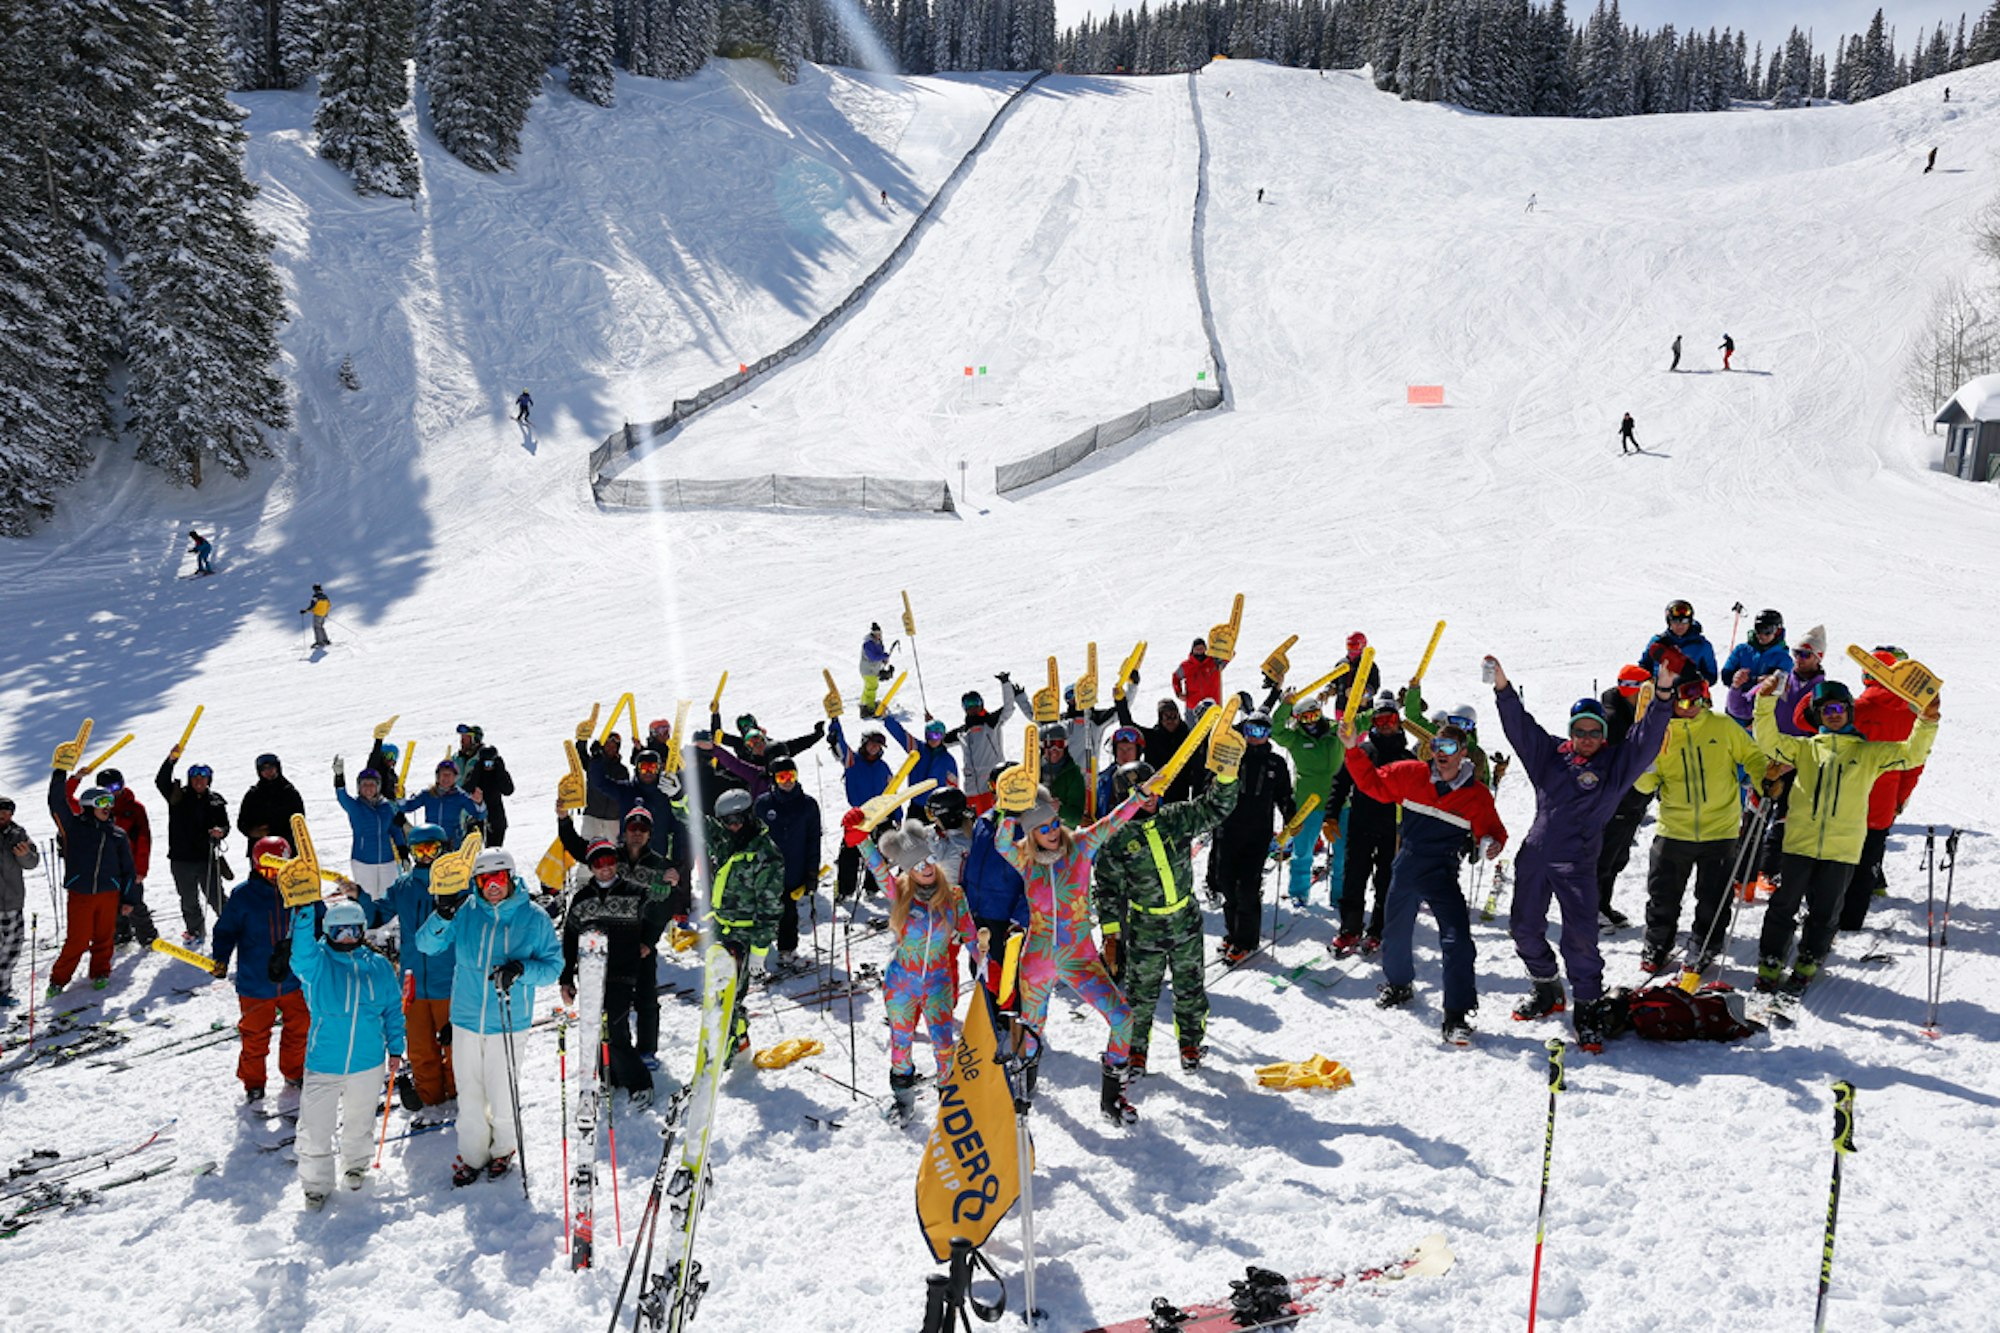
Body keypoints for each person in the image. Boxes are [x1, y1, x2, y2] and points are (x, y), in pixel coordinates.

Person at [1490, 656, 1671, 1053]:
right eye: (1580, 730)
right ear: (1571, 731)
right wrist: (1503, 688)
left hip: (1578, 862)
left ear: (1603, 734)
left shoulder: (1616, 764)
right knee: (1524, 929)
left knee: (1581, 940)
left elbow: (1646, 738)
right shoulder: (1550, 755)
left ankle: (1587, 1008)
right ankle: (1547, 989)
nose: (1586, 737)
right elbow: (1521, 728)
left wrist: (1661, 697)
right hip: (1536, 855)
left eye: (1594, 731)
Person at [1750, 675, 1939, 997]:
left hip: (1842, 849)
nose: (1833, 714)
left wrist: (1927, 720)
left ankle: (1809, 960)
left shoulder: (1868, 753)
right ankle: (1770, 961)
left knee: (1826, 912)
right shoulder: (1805, 749)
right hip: (1799, 844)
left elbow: (1912, 754)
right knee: (1783, 905)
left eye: (1839, 708)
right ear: (1817, 716)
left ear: (1849, 711)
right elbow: (1768, 741)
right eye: (1826, 710)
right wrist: (1764, 702)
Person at [1337, 719, 1505, 1045]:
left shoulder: (1476, 795)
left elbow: (1492, 830)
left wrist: (1491, 843)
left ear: (1463, 753)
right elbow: (1371, 783)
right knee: (1395, 932)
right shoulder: (1411, 774)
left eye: (1449, 748)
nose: (1441, 753)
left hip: (1441, 871)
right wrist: (1352, 749)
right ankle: (1399, 985)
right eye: (1436, 746)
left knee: (1457, 940)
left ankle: (1456, 1014)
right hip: (1407, 864)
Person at [999, 779, 1152, 1127]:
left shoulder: (1080, 846)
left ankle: (1113, 1098)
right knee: (1031, 1029)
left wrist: (1138, 798)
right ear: (1031, 833)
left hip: (1079, 958)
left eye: (1054, 823)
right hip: (1037, 960)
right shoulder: (1024, 858)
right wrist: (1009, 810)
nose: (1053, 832)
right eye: (1042, 828)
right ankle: (1023, 1089)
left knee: (1122, 1018)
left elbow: (1112, 822)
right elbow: (1001, 842)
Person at [416, 847, 562, 1186]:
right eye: (484, 880)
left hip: (508, 1021)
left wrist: (521, 970)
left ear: (510, 877)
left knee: (502, 1093)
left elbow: (553, 967)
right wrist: (442, 915)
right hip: (466, 1018)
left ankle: (503, 1149)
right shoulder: (466, 911)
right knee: (469, 1094)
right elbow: (426, 945)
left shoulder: (533, 917)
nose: (492, 886)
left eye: (498, 877)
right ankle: (473, 1155)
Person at [1092, 758, 1239, 1075]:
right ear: (1125, 797)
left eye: (1154, 788)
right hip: (1146, 928)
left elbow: (1215, 808)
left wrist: (1226, 777)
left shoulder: (1176, 817)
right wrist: (1111, 936)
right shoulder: (1115, 838)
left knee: (1190, 987)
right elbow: (1107, 891)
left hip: (1186, 921)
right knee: (1140, 995)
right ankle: (1135, 1051)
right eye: (1141, 792)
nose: (1150, 797)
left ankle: (1190, 1043)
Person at [1631, 674, 1770, 973]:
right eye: (1685, 698)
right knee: (1663, 895)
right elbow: (1644, 786)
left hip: (1720, 829)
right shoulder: (1661, 735)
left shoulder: (1722, 725)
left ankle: (1706, 942)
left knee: (1713, 897)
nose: (1693, 704)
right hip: (1674, 829)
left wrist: (1764, 781)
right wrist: (1646, 762)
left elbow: (1753, 756)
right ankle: (1658, 943)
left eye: (1699, 695)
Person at [849, 816, 974, 1121]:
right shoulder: (900, 893)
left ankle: (950, 1104)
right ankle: (903, 1102)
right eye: (918, 865)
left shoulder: (954, 896)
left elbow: (971, 936)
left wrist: (987, 964)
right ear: (908, 870)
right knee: (901, 1044)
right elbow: (878, 867)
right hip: (901, 982)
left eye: (929, 859)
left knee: (944, 1044)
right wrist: (860, 837)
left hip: (938, 982)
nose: (926, 867)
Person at [289, 897, 405, 1209]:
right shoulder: (317, 963)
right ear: (327, 932)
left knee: (359, 1120)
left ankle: (356, 1165)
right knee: (315, 1127)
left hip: (367, 1061)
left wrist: (396, 1047)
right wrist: (303, 912)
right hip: (324, 1061)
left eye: (353, 930)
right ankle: (316, 1184)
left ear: (362, 930)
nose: (346, 937)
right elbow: (300, 953)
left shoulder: (378, 965)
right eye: (338, 931)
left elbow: (392, 1009)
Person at [559, 838, 669, 1107]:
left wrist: (648, 941)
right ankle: (610, 1074)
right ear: (591, 867)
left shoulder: (634, 892)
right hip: (591, 973)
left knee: (614, 1026)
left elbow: (660, 911)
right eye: (598, 863)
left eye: (609, 861)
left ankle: (640, 1082)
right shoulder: (582, 898)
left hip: (623, 970)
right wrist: (567, 977)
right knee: (596, 1026)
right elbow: (570, 938)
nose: (605, 868)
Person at [370, 823, 458, 1118]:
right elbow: (377, 914)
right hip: (413, 982)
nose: (427, 856)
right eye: (420, 850)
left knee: (455, 1045)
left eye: (433, 849)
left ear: (443, 849)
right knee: (420, 1047)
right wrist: (358, 897)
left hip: (449, 980)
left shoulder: (458, 884)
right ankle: (429, 1095)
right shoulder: (403, 887)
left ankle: (460, 1094)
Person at [212, 835, 309, 1101]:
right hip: (256, 981)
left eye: (280, 870)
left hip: (294, 978)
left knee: (299, 1030)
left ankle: (294, 1071)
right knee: (254, 1037)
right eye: (268, 871)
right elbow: (225, 931)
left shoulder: (301, 890)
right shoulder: (243, 895)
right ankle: (254, 1082)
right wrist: (220, 958)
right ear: (256, 867)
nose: (275, 877)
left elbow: (319, 921)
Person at [1839, 649, 1927, 932]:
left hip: (1847, 796)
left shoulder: (1857, 708)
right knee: (1868, 859)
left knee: (1837, 858)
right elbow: (1914, 765)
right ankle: (1853, 918)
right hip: (1883, 801)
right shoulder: (1911, 714)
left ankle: (1828, 913)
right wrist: (1900, 798)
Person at [1326, 693, 1410, 956]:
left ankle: (1377, 930)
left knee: (1386, 881)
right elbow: (1340, 783)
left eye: (1390, 719)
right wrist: (1331, 814)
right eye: (1379, 720)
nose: (1385, 725)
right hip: (1361, 823)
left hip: (1392, 830)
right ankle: (1350, 928)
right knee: (1354, 876)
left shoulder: (1407, 758)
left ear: (1398, 721)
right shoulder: (1362, 751)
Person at [705, 789, 785, 1059]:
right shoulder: (725, 839)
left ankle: (726, 1046)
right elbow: (696, 822)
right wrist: (678, 796)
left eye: (738, 820)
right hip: (721, 927)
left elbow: (770, 907)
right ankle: (738, 1036)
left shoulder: (764, 854)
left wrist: (760, 951)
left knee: (729, 992)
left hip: (745, 933)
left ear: (749, 816)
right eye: (727, 821)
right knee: (721, 989)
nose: (733, 826)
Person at [45, 763, 136, 995]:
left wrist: (128, 898)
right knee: (78, 940)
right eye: (102, 802)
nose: (108, 807)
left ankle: (100, 972)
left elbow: (128, 869)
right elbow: (57, 803)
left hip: (109, 893)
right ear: (88, 805)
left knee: (105, 937)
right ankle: (58, 980)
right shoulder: (74, 827)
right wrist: (60, 773)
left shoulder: (117, 834)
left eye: (110, 802)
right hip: (81, 893)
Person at [1591, 665, 1655, 930]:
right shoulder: (1615, 719)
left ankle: (1602, 905)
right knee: (1604, 857)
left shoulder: (1636, 712)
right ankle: (1591, 909)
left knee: (1617, 857)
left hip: (1634, 800)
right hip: (1617, 799)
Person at [960, 770, 1030, 1003]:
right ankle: (989, 1012)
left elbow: (1034, 880)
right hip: (978, 910)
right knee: (980, 967)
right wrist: (964, 898)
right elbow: (973, 863)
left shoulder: (1027, 829)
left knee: (1007, 972)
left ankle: (1011, 1014)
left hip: (1005, 916)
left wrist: (1020, 917)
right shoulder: (984, 821)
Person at [1270, 689, 1343, 906]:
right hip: (1308, 802)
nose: (1311, 722)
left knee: (1342, 853)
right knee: (1302, 852)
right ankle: (1299, 893)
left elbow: (1359, 721)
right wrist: (1285, 705)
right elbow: (1275, 730)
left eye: (1314, 715)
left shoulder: (1336, 732)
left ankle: (1339, 896)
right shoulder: (1295, 738)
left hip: (1339, 801)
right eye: (1305, 718)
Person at [754, 755, 823, 971]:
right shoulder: (763, 804)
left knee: (788, 912)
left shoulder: (808, 805)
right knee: (764, 912)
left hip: (794, 868)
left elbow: (813, 840)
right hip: (766, 870)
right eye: (782, 777)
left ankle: (787, 950)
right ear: (774, 779)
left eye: (791, 776)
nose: (787, 781)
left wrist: (812, 872)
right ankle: (757, 952)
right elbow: (753, 837)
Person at [157, 750, 230, 942]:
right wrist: (171, 761)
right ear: (189, 780)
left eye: (203, 778)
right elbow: (161, 781)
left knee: (216, 896)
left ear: (209, 780)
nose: (199, 781)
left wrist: (220, 831)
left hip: (206, 857)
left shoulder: (215, 800)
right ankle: (195, 930)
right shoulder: (178, 796)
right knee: (188, 899)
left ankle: (232, 925)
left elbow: (225, 825)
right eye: (195, 778)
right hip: (181, 858)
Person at [826, 720, 892, 905]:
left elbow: (892, 792)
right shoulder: (852, 761)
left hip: (880, 815)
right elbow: (840, 743)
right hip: (858, 816)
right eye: (872, 744)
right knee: (849, 853)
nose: (874, 748)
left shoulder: (883, 767)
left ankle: (872, 887)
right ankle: (845, 890)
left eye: (878, 745)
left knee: (879, 852)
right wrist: (835, 723)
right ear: (864, 743)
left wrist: (896, 816)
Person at [941, 683, 1016, 809]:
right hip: (972, 788)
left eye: (975, 702)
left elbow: (1008, 708)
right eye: (968, 704)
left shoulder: (991, 723)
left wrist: (1005, 684)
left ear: (981, 704)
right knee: (977, 819)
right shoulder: (963, 732)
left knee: (997, 816)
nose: (972, 707)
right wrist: (932, 724)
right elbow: (941, 741)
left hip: (992, 783)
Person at [334, 758, 401, 896]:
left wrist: (403, 852)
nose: (368, 788)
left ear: (378, 787)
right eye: (364, 784)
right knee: (368, 899)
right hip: (363, 861)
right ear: (359, 787)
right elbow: (342, 796)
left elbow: (395, 830)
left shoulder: (387, 806)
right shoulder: (355, 806)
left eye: (372, 784)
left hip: (388, 861)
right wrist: (339, 777)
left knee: (389, 898)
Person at [0, 798, 42, 1007]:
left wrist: (25, 856)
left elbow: (32, 862)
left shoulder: (18, 833)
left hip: (12, 901)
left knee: (11, 949)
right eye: (1, 811)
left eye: (8, 813)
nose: (4, 816)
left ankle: (2, 990)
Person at [1720, 609, 1790, 727]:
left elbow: (1779, 692)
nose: (1762, 635)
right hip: (1734, 711)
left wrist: (1756, 721)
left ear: (1777, 631)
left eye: (1767, 631)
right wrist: (1753, 680)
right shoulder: (1742, 650)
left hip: (1758, 718)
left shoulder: (1783, 659)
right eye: (1758, 629)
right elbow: (1726, 676)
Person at [399, 759, 486, 848]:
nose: (446, 778)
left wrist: (479, 803)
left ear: (455, 778)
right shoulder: (428, 794)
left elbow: (479, 815)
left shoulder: (460, 796)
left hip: (452, 843)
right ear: (438, 777)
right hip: (431, 843)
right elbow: (407, 807)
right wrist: (400, 797)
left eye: (449, 775)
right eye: (443, 774)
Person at [883, 716, 960, 815]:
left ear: (942, 736)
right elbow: (901, 735)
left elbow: (953, 786)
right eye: (930, 736)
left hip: (936, 808)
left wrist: (952, 807)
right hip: (916, 804)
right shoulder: (917, 748)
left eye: (937, 736)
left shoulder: (948, 760)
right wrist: (887, 718)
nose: (933, 739)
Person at [237, 752, 305, 857]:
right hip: (261, 850)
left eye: (271, 768)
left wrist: (275, 830)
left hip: (287, 848)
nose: (268, 771)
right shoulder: (253, 794)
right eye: (264, 769)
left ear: (277, 768)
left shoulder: (288, 792)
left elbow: (299, 819)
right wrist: (253, 832)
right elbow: (242, 822)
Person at [1640, 600, 1719, 685]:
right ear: (1669, 622)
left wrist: (1695, 678)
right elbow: (1644, 666)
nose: (1680, 626)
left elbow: (1712, 676)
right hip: (1660, 689)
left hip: (1689, 690)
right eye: (1675, 621)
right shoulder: (1658, 642)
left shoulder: (1701, 645)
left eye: (1685, 621)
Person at [457, 729, 514, 846]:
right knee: (474, 850)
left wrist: (500, 771)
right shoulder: (477, 772)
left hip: (495, 817)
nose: (488, 767)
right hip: (476, 817)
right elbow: (466, 789)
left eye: (491, 764)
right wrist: (477, 772)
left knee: (493, 850)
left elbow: (508, 790)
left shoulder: (498, 773)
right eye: (485, 764)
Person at [1038, 723, 1089, 825]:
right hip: (1036, 827)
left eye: (1059, 744)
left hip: (1062, 830)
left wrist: (1060, 810)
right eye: (1049, 744)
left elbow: (1077, 817)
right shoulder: (1033, 769)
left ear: (1065, 746)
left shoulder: (1073, 774)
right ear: (1042, 746)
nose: (1054, 750)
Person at [1171, 637, 1223, 710]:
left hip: (1212, 706)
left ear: (1205, 649)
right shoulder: (1186, 666)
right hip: (1193, 707)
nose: (1199, 650)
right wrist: (1179, 693)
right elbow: (1176, 677)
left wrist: (1224, 647)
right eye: (1196, 648)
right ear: (1192, 650)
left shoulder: (1214, 662)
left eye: (1201, 648)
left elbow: (1228, 656)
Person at [859, 623, 894, 716]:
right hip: (868, 670)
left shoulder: (878, 643)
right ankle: (870, 708)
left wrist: (884, 660)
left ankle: (864, 705)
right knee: (872, 687)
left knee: (868, 687)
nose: (878, 635)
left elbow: (879, 654)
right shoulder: (868, 644)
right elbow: (872, 657)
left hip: (873, 669)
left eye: (879, 633)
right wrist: (883, 656)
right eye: (876, 633)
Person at [301, 584, 331, 648]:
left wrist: (305, 611)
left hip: (318, 614)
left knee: (317, 628)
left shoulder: (315, 597)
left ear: (315, 590)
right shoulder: (325, 596)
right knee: (321, 627)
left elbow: (312, 606)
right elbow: (328, 605)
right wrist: (326, 613)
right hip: (323, 614)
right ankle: (325, 640)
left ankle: (319, 642)